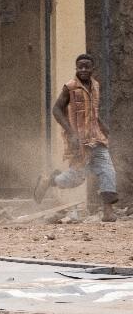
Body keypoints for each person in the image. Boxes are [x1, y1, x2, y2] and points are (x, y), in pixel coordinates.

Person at [35, 54, 118, 221]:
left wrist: (101, 124)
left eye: (87, 67)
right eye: (80, 67)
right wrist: (70, 132)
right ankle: (49, 180)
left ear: (92, 68)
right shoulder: (70, 87)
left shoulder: (95, 86)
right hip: (80, 142)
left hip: (97, 139)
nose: (83, 70)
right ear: (76, 68)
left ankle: (108, 212)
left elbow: (92, 110)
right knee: (76, 178)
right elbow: (56, 109)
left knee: (108, 171)